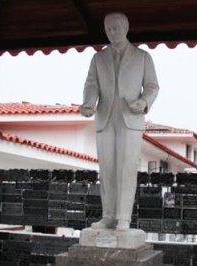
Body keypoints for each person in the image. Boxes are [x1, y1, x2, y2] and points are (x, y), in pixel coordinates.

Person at [80, 12, 159, 230]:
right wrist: (88, 103)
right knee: (107, 169)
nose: (111, 32)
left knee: (126, 168)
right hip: (105, 118)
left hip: (131, 119)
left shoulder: (142, 57)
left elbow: (152, 86)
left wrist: (143, 102)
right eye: (108, 29)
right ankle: (108, 216)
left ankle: (123, 217)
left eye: (115, 28)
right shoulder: (98, 58)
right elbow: (92, 84)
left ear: (125, 28)